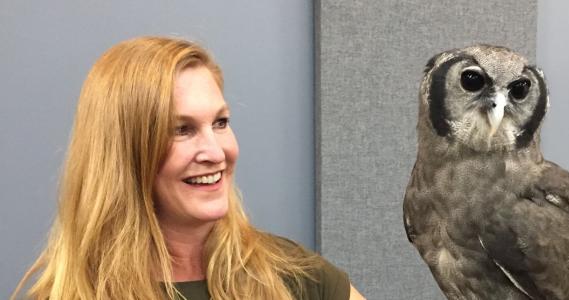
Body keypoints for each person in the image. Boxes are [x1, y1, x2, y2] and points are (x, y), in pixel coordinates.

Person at [12, 36, 365, 300]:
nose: (215, 151)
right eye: (182, 130)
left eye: (221, 122)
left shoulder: (296, 277)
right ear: (126, 152)